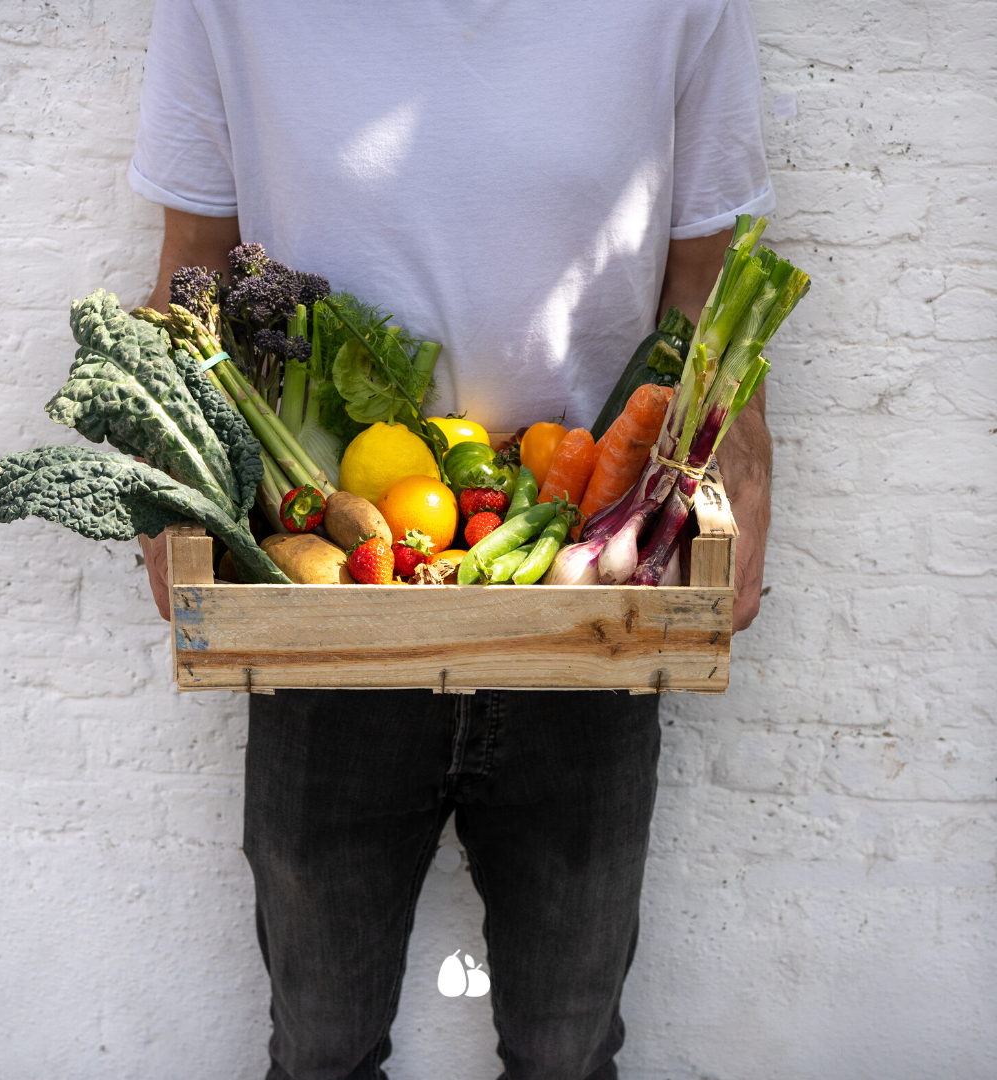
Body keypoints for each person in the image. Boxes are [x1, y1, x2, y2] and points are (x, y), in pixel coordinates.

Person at [133, 2, 774, 1076]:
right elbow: (191, 263)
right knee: (321, 1048)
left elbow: (707, 274)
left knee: (567, 1052)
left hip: (589, 620)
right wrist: (172, 489)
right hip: (325, 622)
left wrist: (747, 455)